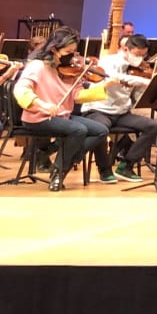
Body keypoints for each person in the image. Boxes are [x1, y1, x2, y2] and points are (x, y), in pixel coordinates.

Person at [13, 27, 109, 191]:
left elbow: (77, 96)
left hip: (62, 116)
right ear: (54, 50)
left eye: (74, 51)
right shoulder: (38, 66)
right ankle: (59, 171)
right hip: (38, 117)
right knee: (78, 130)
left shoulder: (70, 70)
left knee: (101, 130)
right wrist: (43, 104)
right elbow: (20, 90)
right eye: (68, 51)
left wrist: (104, 86)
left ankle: (63, 156)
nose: (72, 56)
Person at [78, 33, 157, 183]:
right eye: (137, 54)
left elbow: (136, 95)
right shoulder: (109, 61)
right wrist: (142, 81)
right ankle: (104, 170)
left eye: (143, 55)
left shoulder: (138, 67)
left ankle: (126, 166)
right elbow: (116, 77)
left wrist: (149, 89)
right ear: (126, 49)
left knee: (152, 126)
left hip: (121, 112)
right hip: (98, 109)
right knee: (100, 129)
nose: (140, 58)